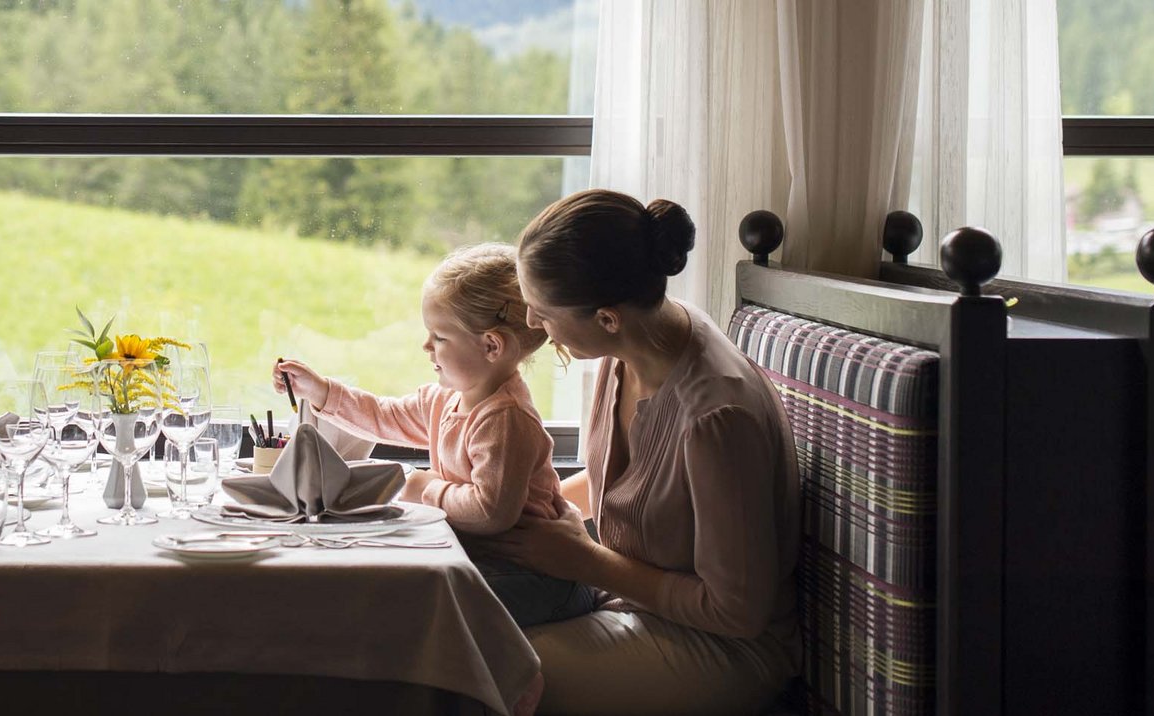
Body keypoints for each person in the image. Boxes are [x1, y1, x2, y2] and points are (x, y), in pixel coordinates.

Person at [475, 189, 800, 714]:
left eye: (542, 313)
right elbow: (630, 484)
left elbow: (737, 612)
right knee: (459, 615)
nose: (534, 326)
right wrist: (523, 503)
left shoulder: (718, 419)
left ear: (606, 317)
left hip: (725, 648)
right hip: (632, 601)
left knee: (475, 664)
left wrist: (583, 558)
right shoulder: (631, 345)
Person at [273, 242, 590, 627]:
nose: (426, 345)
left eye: (439, 336)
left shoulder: (506, 420)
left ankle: (513, 681)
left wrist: (426, 487)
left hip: (537, 578)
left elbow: (491, 513)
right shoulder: (446, 401)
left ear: (491, 345)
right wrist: (320, 390)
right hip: (488, 560)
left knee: (418, 600)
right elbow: (383, 416)